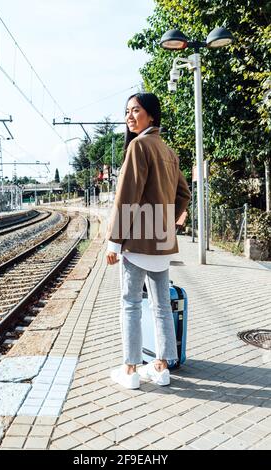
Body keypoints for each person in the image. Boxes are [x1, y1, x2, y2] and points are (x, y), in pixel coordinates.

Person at [106, 92, 191, 390]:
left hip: (137, 241)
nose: (130, 116)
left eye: (136, 111)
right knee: (161, 305)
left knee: (130, 303)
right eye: (127, 111)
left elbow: (127, 196)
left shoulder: (139, 146)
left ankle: (130, 370)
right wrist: (167, 222)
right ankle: (161, 367)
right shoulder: (168, 151)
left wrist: (114, 242)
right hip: (162, 241)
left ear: (151, 116)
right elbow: (184, 195)